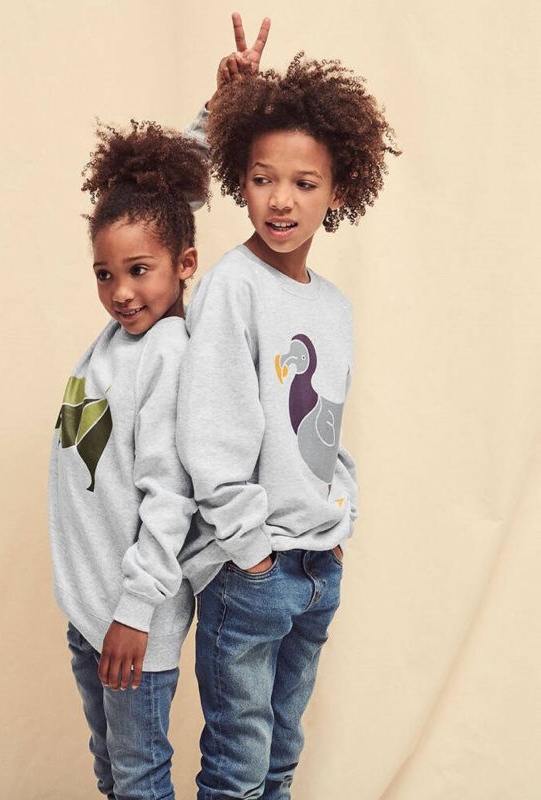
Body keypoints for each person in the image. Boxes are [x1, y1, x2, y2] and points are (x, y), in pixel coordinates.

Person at [177, 40, 400, 799]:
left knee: (280, 758)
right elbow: (209, 433)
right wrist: (251, 555)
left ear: (339, 190)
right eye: (262, 178)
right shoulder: (231, 289)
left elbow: (325, 431)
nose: (281, 200)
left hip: (316, 566)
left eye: (305, 183)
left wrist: (340, 521)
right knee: (238, 766)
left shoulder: (333, 307)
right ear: (238, 177)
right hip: (253, 572)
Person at [48, 119, 209, 800]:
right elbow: (165, 194)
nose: (120, 291)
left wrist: (134, 612)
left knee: (139, 781)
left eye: (139, 271)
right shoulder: (121, 338)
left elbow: (172, 497)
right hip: (92, 611)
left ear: (185, 265)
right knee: (114, 775)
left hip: (132, 621)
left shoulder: (169, 352)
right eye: (104, 274)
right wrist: (211, 114)